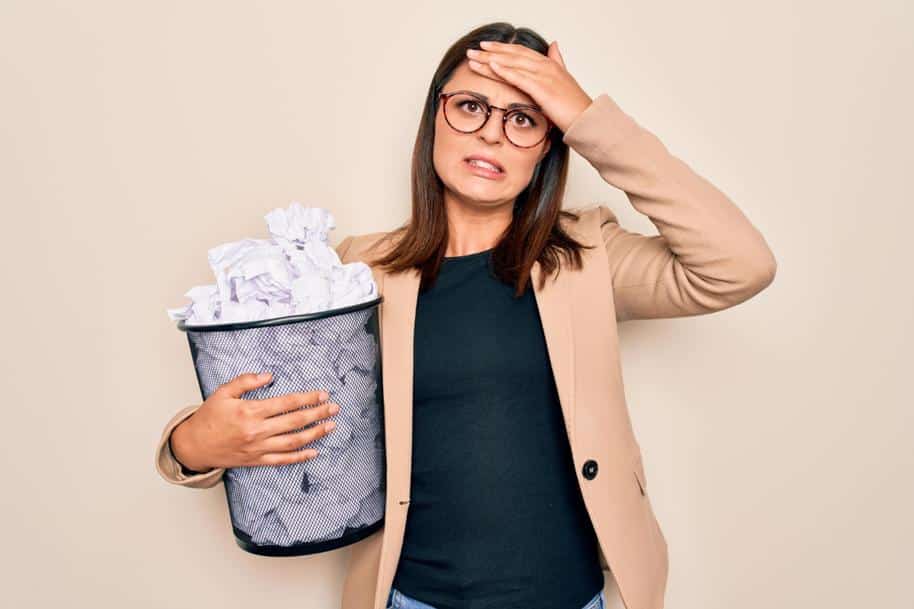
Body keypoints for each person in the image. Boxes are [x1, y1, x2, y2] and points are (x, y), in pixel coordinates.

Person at [155, 22, 776, 609]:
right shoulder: (354, 272)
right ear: (436, 121)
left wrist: (588, 118)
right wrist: (192, 446)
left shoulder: (590, 257)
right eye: (471, 107)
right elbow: (264, 402)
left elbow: (739, 264)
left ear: (549, 147)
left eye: (525, 118)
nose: (492, 134)